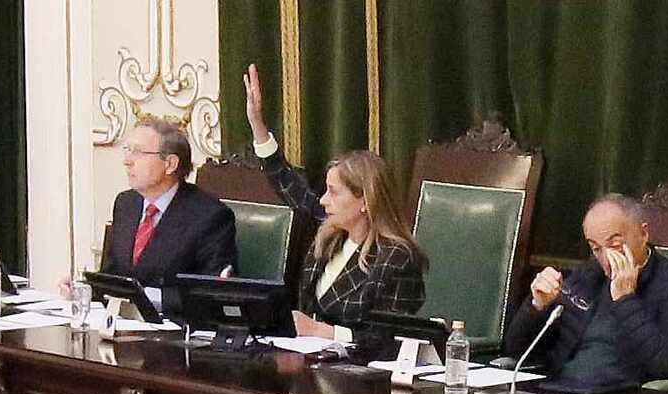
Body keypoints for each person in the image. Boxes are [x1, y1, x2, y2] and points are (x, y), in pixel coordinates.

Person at [243, 64, 427, 341]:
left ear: (365, 200)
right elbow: (289, 186)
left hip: (359, 367)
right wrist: (258, 125)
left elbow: (391, 340)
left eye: (333, 192)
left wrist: (324, 332)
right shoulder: (331, 235)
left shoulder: (397, 259)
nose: (323, 200)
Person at [504, 193, 668, 387]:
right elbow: (518, 351)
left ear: (643, 234)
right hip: (560, 388)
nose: (606, 259)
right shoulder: (587, 276)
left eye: (615, 245)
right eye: (596, 249)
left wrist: (626, 299)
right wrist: (536, 307)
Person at [99, 115, 237, 306]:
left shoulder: (210, 217)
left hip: (173, 321)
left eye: (138, 152)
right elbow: (112, 274)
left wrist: (145, 297)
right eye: (127, 150)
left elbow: (209, 294)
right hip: (121, 319)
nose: (127, 161)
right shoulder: (126, 203)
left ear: (170, 164)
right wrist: (84, 288)